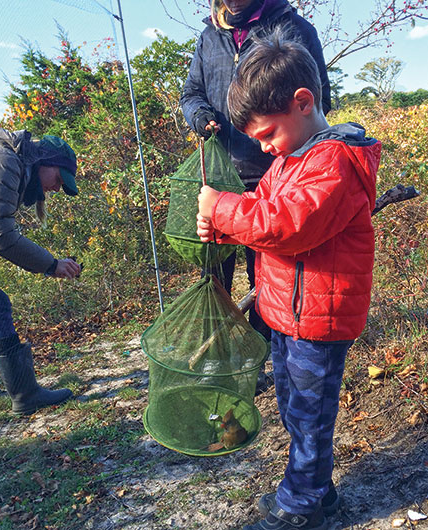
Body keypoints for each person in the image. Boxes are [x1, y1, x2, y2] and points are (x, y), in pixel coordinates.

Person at [197, 33, 381, 530]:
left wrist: (223, 207)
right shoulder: (289, 159)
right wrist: (220, 222)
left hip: (317, 320)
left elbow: (287, 224)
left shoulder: (334, 162)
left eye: (266, 133)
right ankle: (319, 491)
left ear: (303, 103)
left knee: (309, 415)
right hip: (285, 315)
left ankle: (301, 507)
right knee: (296, 410)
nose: (262, 146)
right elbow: (263, 219)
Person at [180, 0, 331, 356]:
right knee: (214, 272)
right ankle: (216, 350)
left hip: (274, 173)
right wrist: (201, 116)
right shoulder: (209, 36)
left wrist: (288, 151)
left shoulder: (294, 29)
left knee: (267, 266)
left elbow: (320, 95)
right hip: (219, 172)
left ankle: (263, 346)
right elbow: (191, 94)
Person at [0, 128, 82, 415]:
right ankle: (25, 394)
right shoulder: (4, 162)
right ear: (46, 162)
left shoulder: (6, 161)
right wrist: (51, 265)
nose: (56, 188)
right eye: (58, 179)